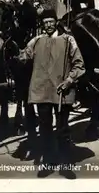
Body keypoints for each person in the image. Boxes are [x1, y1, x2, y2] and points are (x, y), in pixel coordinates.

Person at [15, 9, 85, 178]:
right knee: (45, 129)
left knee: (62, 129)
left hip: (62, 92)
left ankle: (65, 165)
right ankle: (48, 162)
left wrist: (69, 80)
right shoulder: (36, 41)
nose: (48, 25)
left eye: (50, 21)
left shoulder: (68, 40)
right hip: (42, 91)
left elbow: (79, 64)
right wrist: (14, 50)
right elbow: (23, 57)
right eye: (45, 22)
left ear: (56, 22)